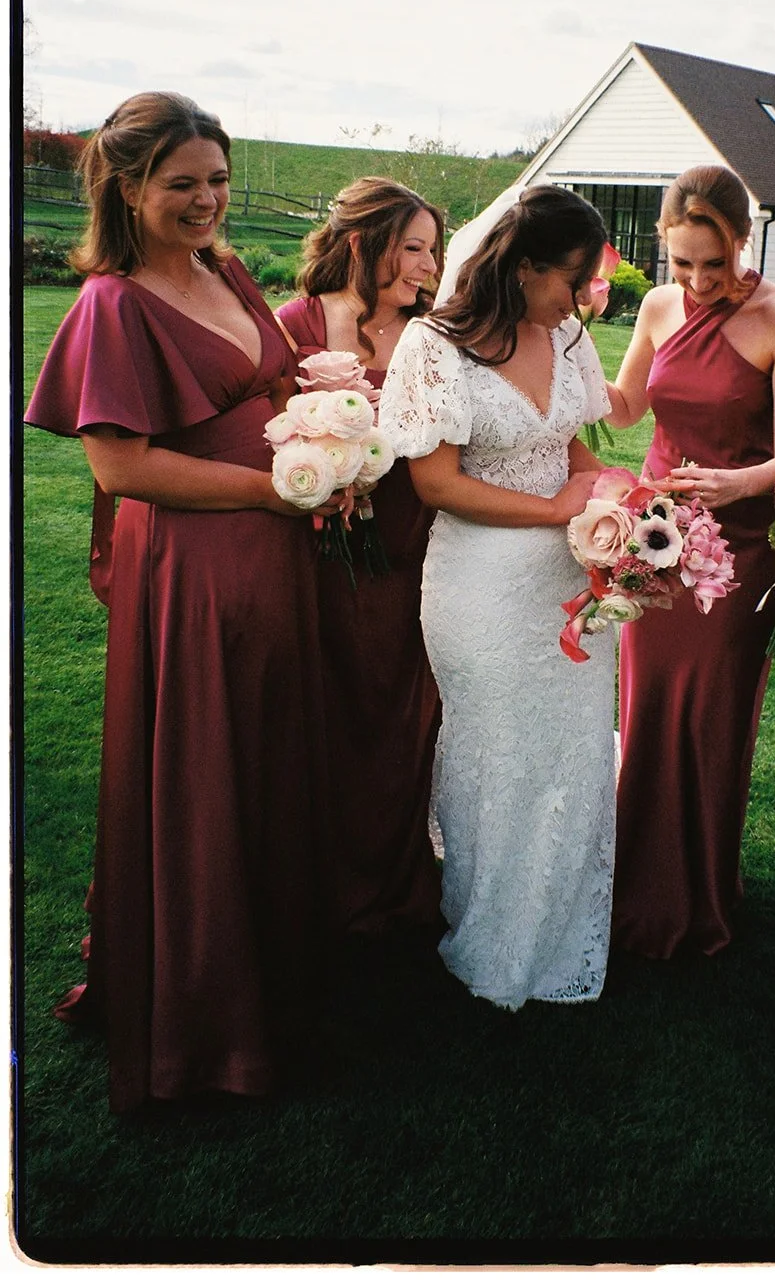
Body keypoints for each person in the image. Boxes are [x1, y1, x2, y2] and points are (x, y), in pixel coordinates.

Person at [25, 92, 348, 1112]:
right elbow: (121, 466)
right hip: (194, 567)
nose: (207, 200)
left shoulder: (227, 268)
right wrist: (275, 487)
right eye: (182, 185)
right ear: (126, 188)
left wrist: (331, 434)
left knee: (260, 761)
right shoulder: (111, 304)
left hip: (275, 561)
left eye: (216, 178)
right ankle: (204, 1020)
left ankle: (269, 981)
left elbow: (276, 388)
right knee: (202, 772)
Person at [378, 185, 616, 1009]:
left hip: (572, 582)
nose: (581, 298)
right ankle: (485, 928)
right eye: (571, 279)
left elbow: (568, 438)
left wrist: (616, 497)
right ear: (523, 268)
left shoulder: (569, 336)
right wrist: (556, 508)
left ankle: (557, 928)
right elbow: (437, 483)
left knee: (574, 748)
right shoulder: (434, 347)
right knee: (499, 752)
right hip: (480, 585)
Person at [604, 164, 775, 958]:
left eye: (714, 263)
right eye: (681, 262)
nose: (697, 281)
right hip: (656, 539)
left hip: (740, 547)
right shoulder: (659, 307)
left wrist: (738, 482)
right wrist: (555, 353)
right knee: (650, 704)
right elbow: (626, 408)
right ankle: (630, 880)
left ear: (743, 239)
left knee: (711, 717)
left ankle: (699, 891)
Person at [277, 179, 446, 942]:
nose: (427, 265)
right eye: (412, 248)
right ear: (360, 244)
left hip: (414, 546)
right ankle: (320, 878)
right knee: (326, 704)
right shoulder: (294, 325)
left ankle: (396, 874)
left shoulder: (433, 335)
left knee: (403, 705)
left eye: (433, 250)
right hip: (317, 552)